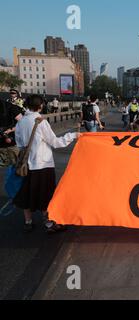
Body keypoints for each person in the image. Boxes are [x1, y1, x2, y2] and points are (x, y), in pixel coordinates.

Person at [13, 95, 80, 234]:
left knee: (26, 192)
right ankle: (49, 224)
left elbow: (19, 143)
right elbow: (55, 142)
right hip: (42, 164)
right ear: (40, 106)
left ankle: (28, 222)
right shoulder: (40, 121)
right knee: (46, 194)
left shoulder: (20, 122)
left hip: (26, 165)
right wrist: (72, 136)